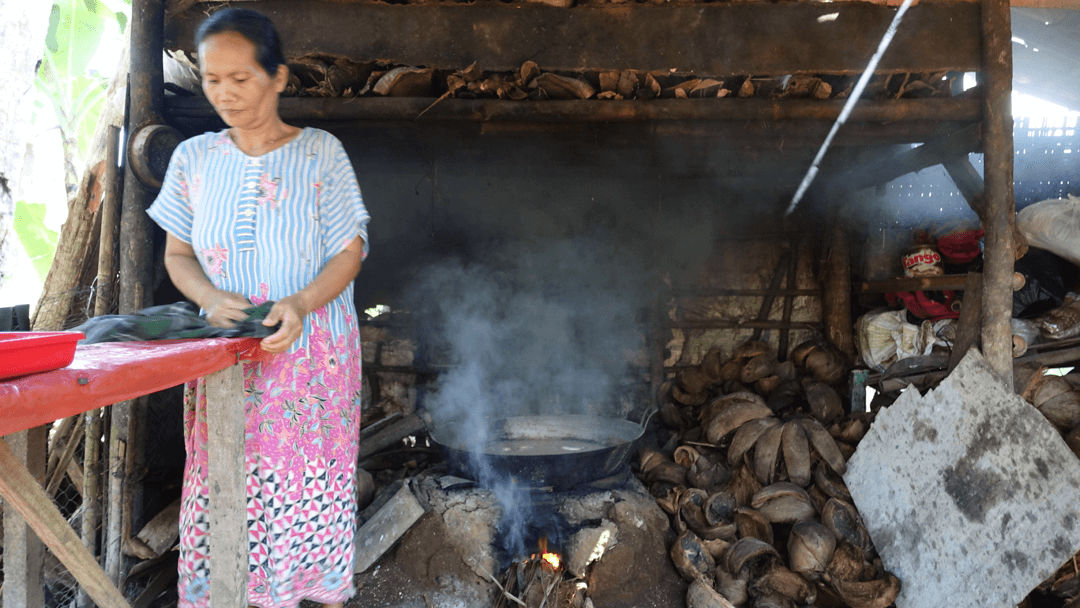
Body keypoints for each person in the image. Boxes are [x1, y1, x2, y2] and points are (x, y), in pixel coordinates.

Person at [147, 8, 370, 608]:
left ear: (278, 78)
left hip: (308, 356)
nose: (224, 94)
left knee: (299, 490)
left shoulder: (321, 153)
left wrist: (297, 303)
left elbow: (350, 253)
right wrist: (209, 297)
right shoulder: (193, 160)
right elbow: (178, 256)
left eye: (240, 79)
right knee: (226, 482)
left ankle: (298, 595)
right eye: (213, 79)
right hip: (227, 356)